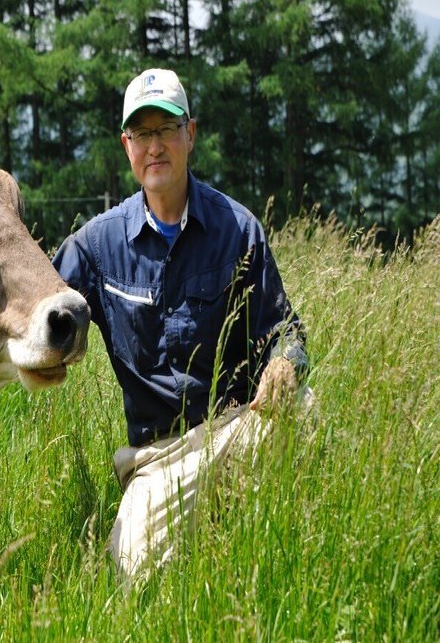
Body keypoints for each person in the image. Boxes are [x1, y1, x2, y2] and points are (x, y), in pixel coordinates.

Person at [52, 68, 311, 578]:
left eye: (167, 129)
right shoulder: (96, 245)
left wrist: (286, 362)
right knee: (133, 575)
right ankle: (191, 529)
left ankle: (243, 544)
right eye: (141, 133)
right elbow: (41, 306)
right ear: (126, 145)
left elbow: (286, 331)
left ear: (190, 134)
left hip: (232, 432)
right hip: (156, 459)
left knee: (302, 409)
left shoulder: (238, 229)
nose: (155, 146)